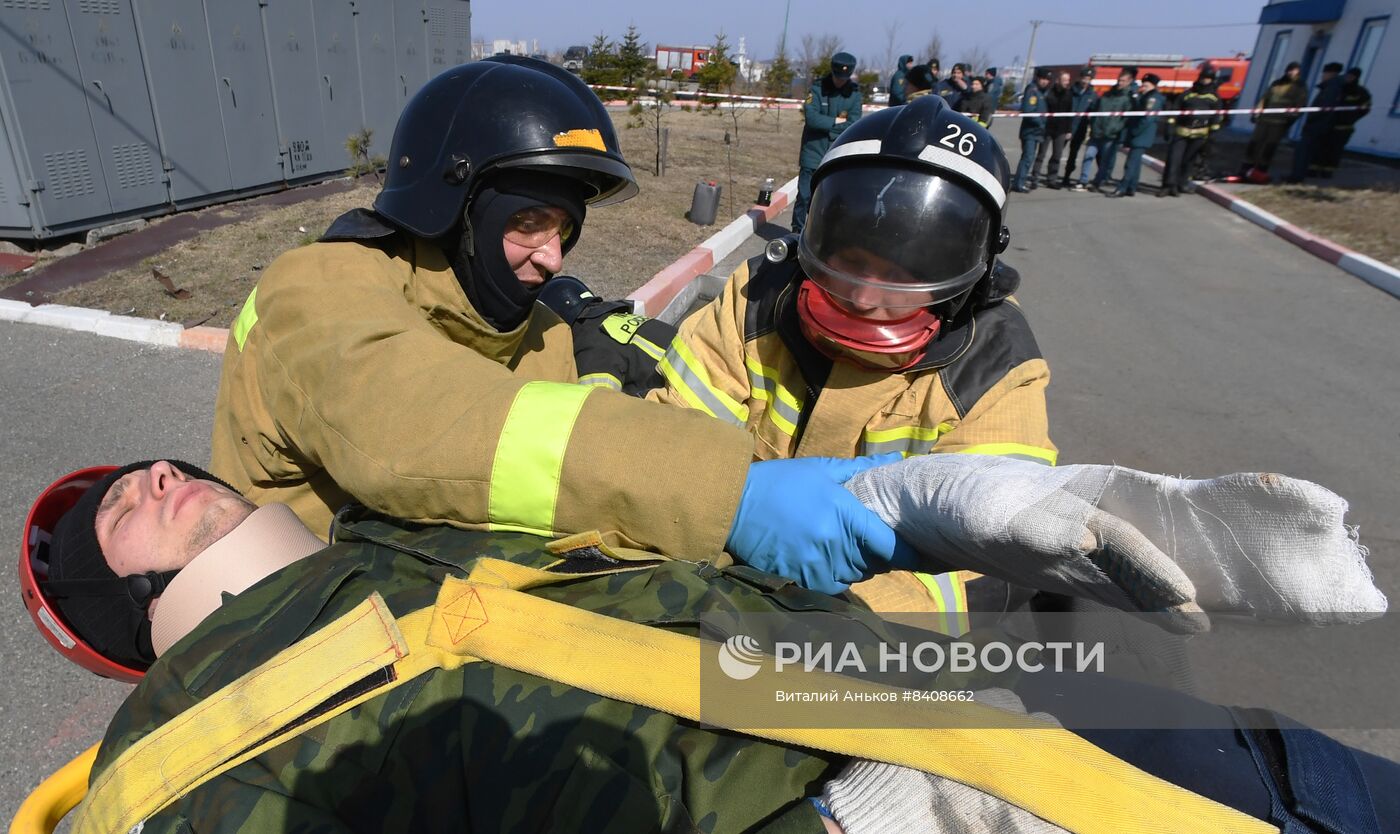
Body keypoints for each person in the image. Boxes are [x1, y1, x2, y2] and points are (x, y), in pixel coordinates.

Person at [21, 461, 1400, 832]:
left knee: (1295, 771)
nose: (150, 474)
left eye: (154, 462)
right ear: (107, 620)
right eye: (109, 514)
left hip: (923, 705)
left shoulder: (395, 549)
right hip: (849, 793)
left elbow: (659, 581)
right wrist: (851, 827)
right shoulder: (171, 783)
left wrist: (915, 507)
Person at [211, 56, 903, 599]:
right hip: (290, 633)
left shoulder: (538, 332)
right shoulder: (316, 288)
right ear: (453, 205)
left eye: (565, 229)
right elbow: (415, 427)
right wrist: (730, 494)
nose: (553, 256)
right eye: (527, 222)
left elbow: (560, 489)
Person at [648, 96, 1055, 615]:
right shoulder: (757, 300)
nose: (864, 298)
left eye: (903, 274)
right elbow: (670, 437)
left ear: (964, 271)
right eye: (851, 263)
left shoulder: (998, 368)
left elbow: (984, 563)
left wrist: (834, 616)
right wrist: (731, 517)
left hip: (869, 649)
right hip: (709, 588)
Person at [793, 51, 863, 234]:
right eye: (838, 77)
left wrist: (829, 124)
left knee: (831, 198)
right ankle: (796, 231)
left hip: (837, 152)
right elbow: (812, 119)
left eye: (844, 77)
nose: (840, 81)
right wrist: (836, 122)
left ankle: (820, 235)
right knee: (805, 196)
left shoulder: (854, 95)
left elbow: (854, 124)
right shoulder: (817, 89)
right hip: (813, 150)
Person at [1161, 68, 1222, 197]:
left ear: (1212, 80)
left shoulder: (1214, 98)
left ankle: (1181, 184)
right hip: (1181, 133)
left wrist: (1212, 136)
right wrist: (1170, 125)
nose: (1205, 80)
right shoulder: (1188, 94)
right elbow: (1175, 109)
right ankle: (1167, 185)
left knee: (1189, 161)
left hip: (1199, 135)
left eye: (1208, 78)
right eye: (1203, 77)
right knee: (1173, 159)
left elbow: (1216, 118)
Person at [1242, 61, 1306, 181]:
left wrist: (1290, 118)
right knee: (1254, 143)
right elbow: (1265, 98)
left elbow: (1300, 106)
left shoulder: (1300, 87)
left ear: (1299, 73)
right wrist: (1257, 111)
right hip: (1264, 120)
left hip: (1279, 123)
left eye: (1294, 70)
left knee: (1269, 147)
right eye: (1290, 70)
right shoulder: (1276, 84)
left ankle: (1261, 170)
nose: (1291, 73)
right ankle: (1246, 168)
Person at [1285, 62, 1345, 184]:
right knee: (1309, 152)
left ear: (1330, 73)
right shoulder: (1334, 86)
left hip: (1317, 126)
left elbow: (1324, 108)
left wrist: (1312, 119)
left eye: (1324, 73)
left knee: (1304, 151)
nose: (1323, 76)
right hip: (1321, 126)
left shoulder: (1332, 88)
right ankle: (1299, 174)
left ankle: (1297, 176)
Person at [1114, 73, 1165, 198]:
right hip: (1140, 134)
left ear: (1153, 85)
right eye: (1143, 84)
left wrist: (1135, 131)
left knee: (1130, 163)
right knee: (1135, 163)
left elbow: (1147, 119)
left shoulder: (1153, 98)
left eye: (1146, 84)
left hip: (1142, 134)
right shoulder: (1146, 96)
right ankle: (1131, 187)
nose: (1144, 86)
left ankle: (1122, 188)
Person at [1315, 67, 1372, 177]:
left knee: (1334, 150)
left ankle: (1328, 171)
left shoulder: (1360, 92)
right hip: (1327, 124)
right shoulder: (1338, 88)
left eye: (1352, 77)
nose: (1349, 78)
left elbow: (1365, 108)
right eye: (1348, 76)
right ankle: (1313, 168)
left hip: (1343, 127)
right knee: (1320, 148)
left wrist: (1351, 118)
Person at [1084, 67, 1135, 192]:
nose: (1120, 83)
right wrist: (1094, 124)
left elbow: (1126, 119)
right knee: (1088, 155)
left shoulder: (1128, 99)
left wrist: (1115, 129)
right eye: (1119, 80)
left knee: (1105, 161)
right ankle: (1083, 180)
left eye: (1123, 81)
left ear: (1129, 82)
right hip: (1097, 131)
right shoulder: (1107, 95)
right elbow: (1097, 110)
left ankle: (1098, 181)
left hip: (1111, 134)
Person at [1011, 68, 1052, 192]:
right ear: (1038, 78)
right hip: (1030, 131)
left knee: (1030, 157)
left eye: (1047, 80)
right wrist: (1041, 123)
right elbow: (1028, 110)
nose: (1045, 82)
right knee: (1028, 157)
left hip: (1037, 131)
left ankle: (1020, 181)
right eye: (1043, 79)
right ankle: (1019, 183)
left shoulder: (1042, 92)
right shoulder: (1032, 90)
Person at [1060, 67, 1097, 189]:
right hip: (1066, 127)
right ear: (1080, 78)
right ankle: (1053, 176)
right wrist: (1067, 129)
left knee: (1073, 154)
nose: (1085, 81)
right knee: (1058, 152)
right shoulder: (1071, 91)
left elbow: (1094, 113)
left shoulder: (1092, 94)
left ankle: (1067, 176)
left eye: (1088, 79)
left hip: (1081, 129)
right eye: (1084, 78)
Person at [1036, 70, 1075, 189]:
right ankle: (1034, 177)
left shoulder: (1069, 94)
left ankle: (1052, 179)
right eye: (1064, 80)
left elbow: (1070, 113)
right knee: (1041, 154)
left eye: (1068, 80)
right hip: (1048, 128)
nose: (1066, 83)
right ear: (1058, 80)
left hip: (1061, 130)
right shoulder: (1049, 93)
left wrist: (1069, 130)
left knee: (1057, 155)